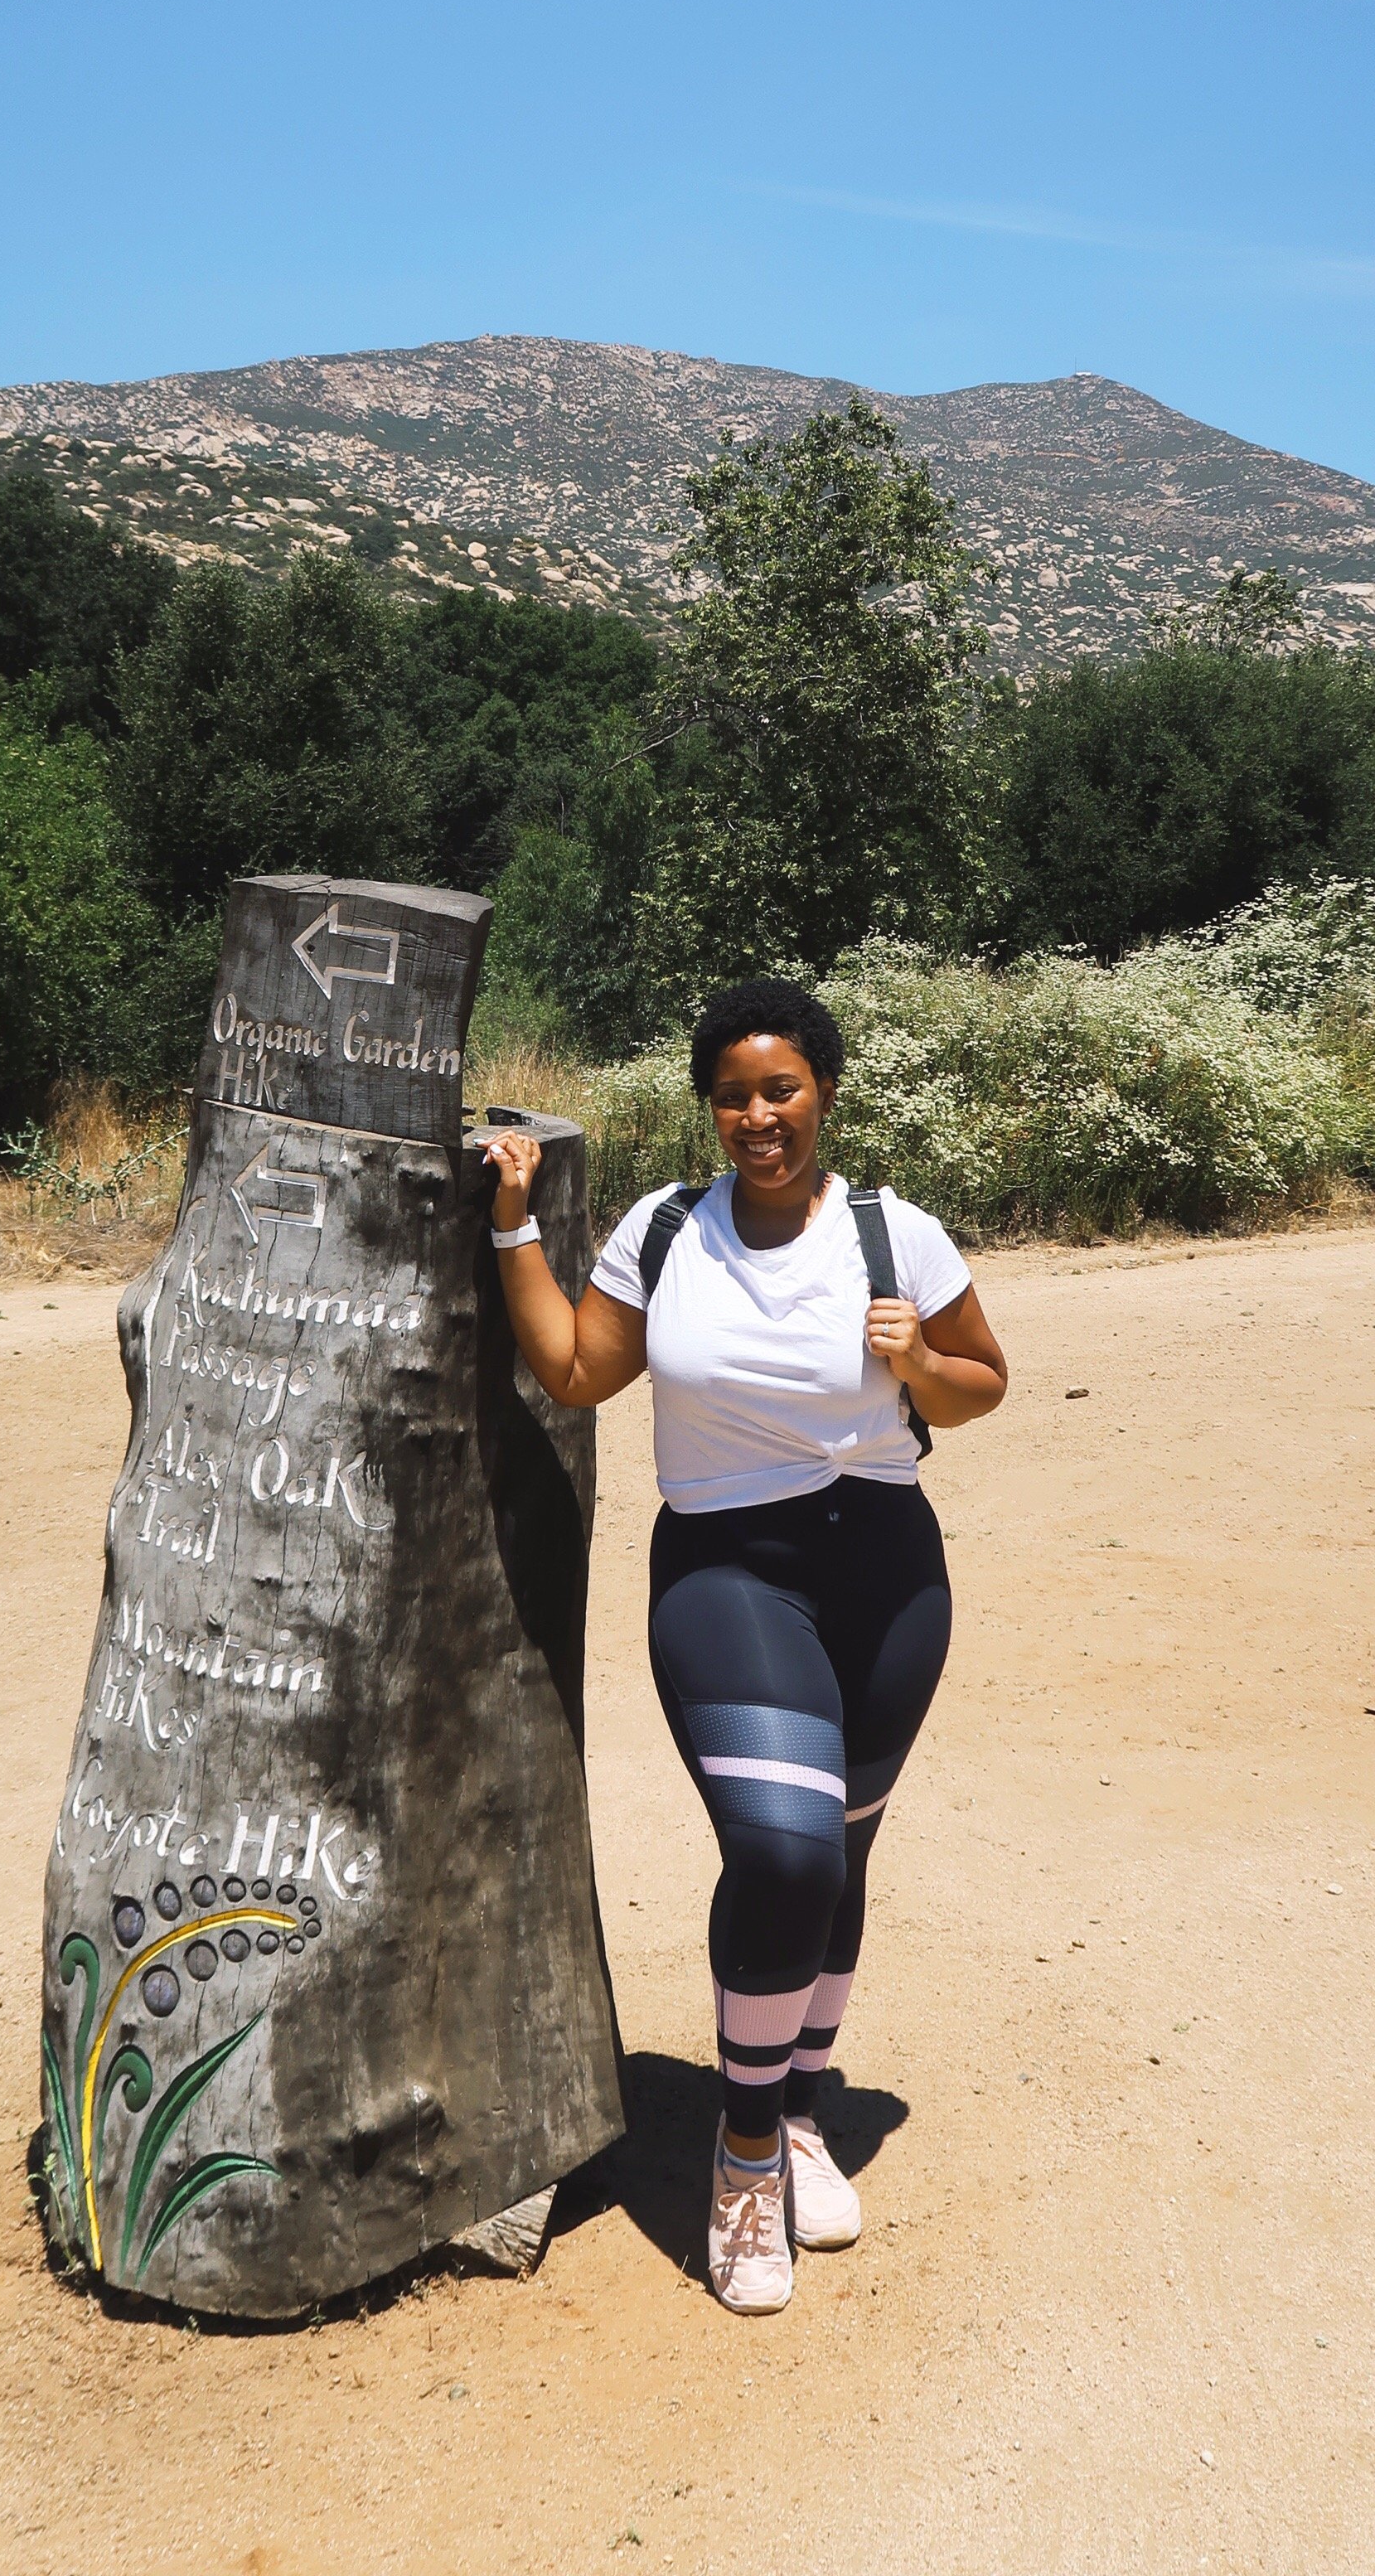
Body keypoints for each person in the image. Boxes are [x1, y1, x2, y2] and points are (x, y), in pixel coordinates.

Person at [481, 975, 1008, 2314]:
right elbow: (576, 1372)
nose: (757, 1116)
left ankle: (807, 2107)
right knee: (779, 1850)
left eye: (780, 1089)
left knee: (838, 1857)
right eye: (732, 1095)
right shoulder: (665, 1233)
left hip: (887, 1574)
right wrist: (512, 1230)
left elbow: (981, 1382)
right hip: (726, 1571)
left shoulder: (898, 1236)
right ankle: (746, 2144)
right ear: (708, 1108)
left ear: (822, 1091)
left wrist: (915, 1363)